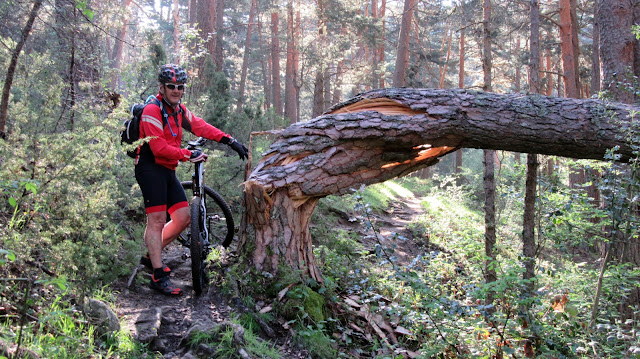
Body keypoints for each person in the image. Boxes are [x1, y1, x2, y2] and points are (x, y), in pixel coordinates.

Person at [134, 63, 248, 296]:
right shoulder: (152, 111)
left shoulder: (178, 110)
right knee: (156, 220)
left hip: (167, 169)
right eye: (171, 86)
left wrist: (228, 140)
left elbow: (199, 126)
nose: (176, 90)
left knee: (184, 217)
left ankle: (150, 254)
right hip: (150, 168)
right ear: (162, 87)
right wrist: (188, 155)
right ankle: (158, 274)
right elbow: (158, 148)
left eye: (180, 87)